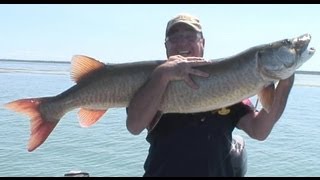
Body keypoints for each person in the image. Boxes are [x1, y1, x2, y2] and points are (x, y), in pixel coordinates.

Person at [126, 13, 295, 177]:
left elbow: (259, 130)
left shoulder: (228, 83)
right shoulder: (151, 83)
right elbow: (134, 126)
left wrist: (285, 83)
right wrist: (162, 74)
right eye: (175, 37)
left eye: (190, 36)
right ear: (166, 46)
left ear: (203, 43)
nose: (182, 42)